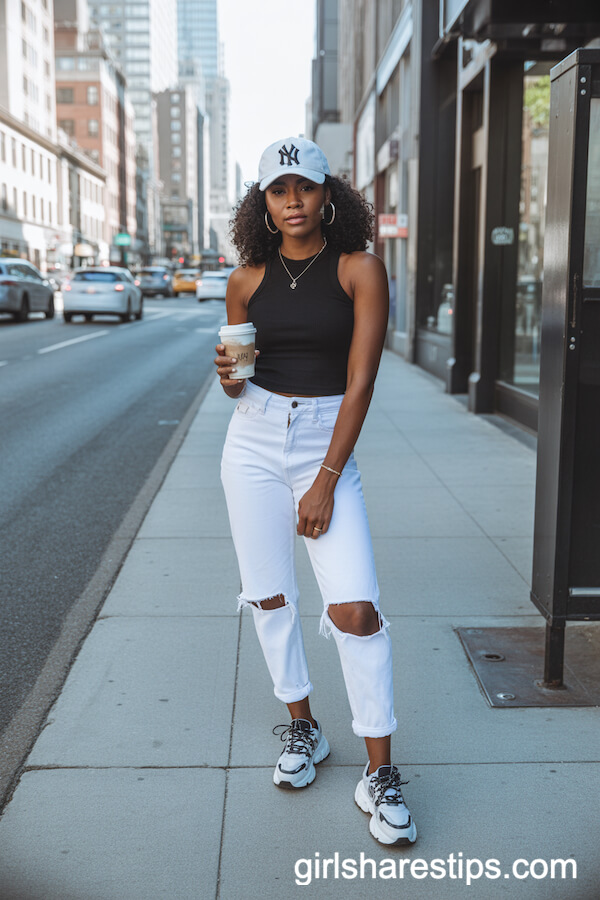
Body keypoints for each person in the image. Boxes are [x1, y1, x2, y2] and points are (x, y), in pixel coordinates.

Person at [214, 136, 417, 846]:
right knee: (269, 595)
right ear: (263, 203)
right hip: (254, 438)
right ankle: (304, 729)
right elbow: (237, 377)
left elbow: (361, 381)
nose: (292, 201)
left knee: (355, 607)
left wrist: (326, 479)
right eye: (278, 190)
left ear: (329, 194)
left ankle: (380, 773)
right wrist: (228, 376)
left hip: (326, 442)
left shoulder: (360, 269)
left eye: (304, 186)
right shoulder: (246, 279)